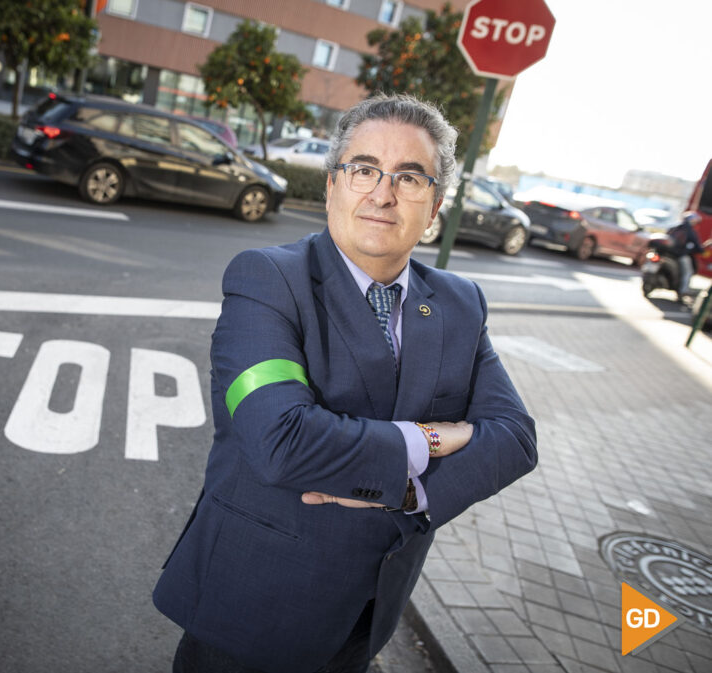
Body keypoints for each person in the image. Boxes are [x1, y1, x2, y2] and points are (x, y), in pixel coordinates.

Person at [152, 94, 538, 673]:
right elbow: (281, 440)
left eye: (410, 178)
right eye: (363, 170)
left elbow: (514, 439)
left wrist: (408, 492)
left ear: (433, 207)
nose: (382, 193)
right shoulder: (266, 281)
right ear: (332, 186)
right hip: (252, 604)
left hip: (366, 614)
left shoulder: (460, 304)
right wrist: (427, 442)